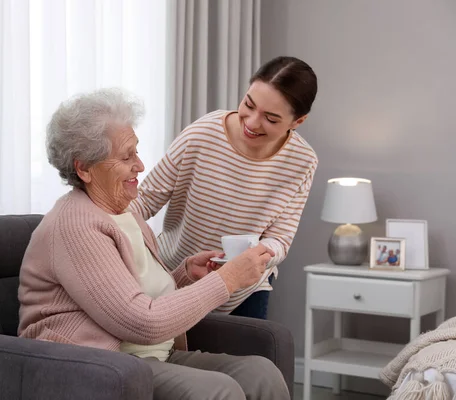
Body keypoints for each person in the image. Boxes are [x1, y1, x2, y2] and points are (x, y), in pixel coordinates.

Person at [17, 88, 290, 400]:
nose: (140, 165)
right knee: (218, 390)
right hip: (99, 365)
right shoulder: (74, 225)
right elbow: (141, 321)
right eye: (126, 156)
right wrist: (226, 280)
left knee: (261, 373)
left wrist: (185, 275)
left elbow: (127, 297)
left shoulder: (126, 215)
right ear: (84, 168)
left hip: (150, 355)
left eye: (136, 151)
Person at [129, 56, 319, 319]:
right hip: (175, 276)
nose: (252, 122)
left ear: (297, 122)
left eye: (271, 119)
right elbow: (144, 200)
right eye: (248, 105)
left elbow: (280, 239)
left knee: (248, 359)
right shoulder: (204, 133)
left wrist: (251, 259)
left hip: (244, 290)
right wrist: (106, 230)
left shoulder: (302, 161)